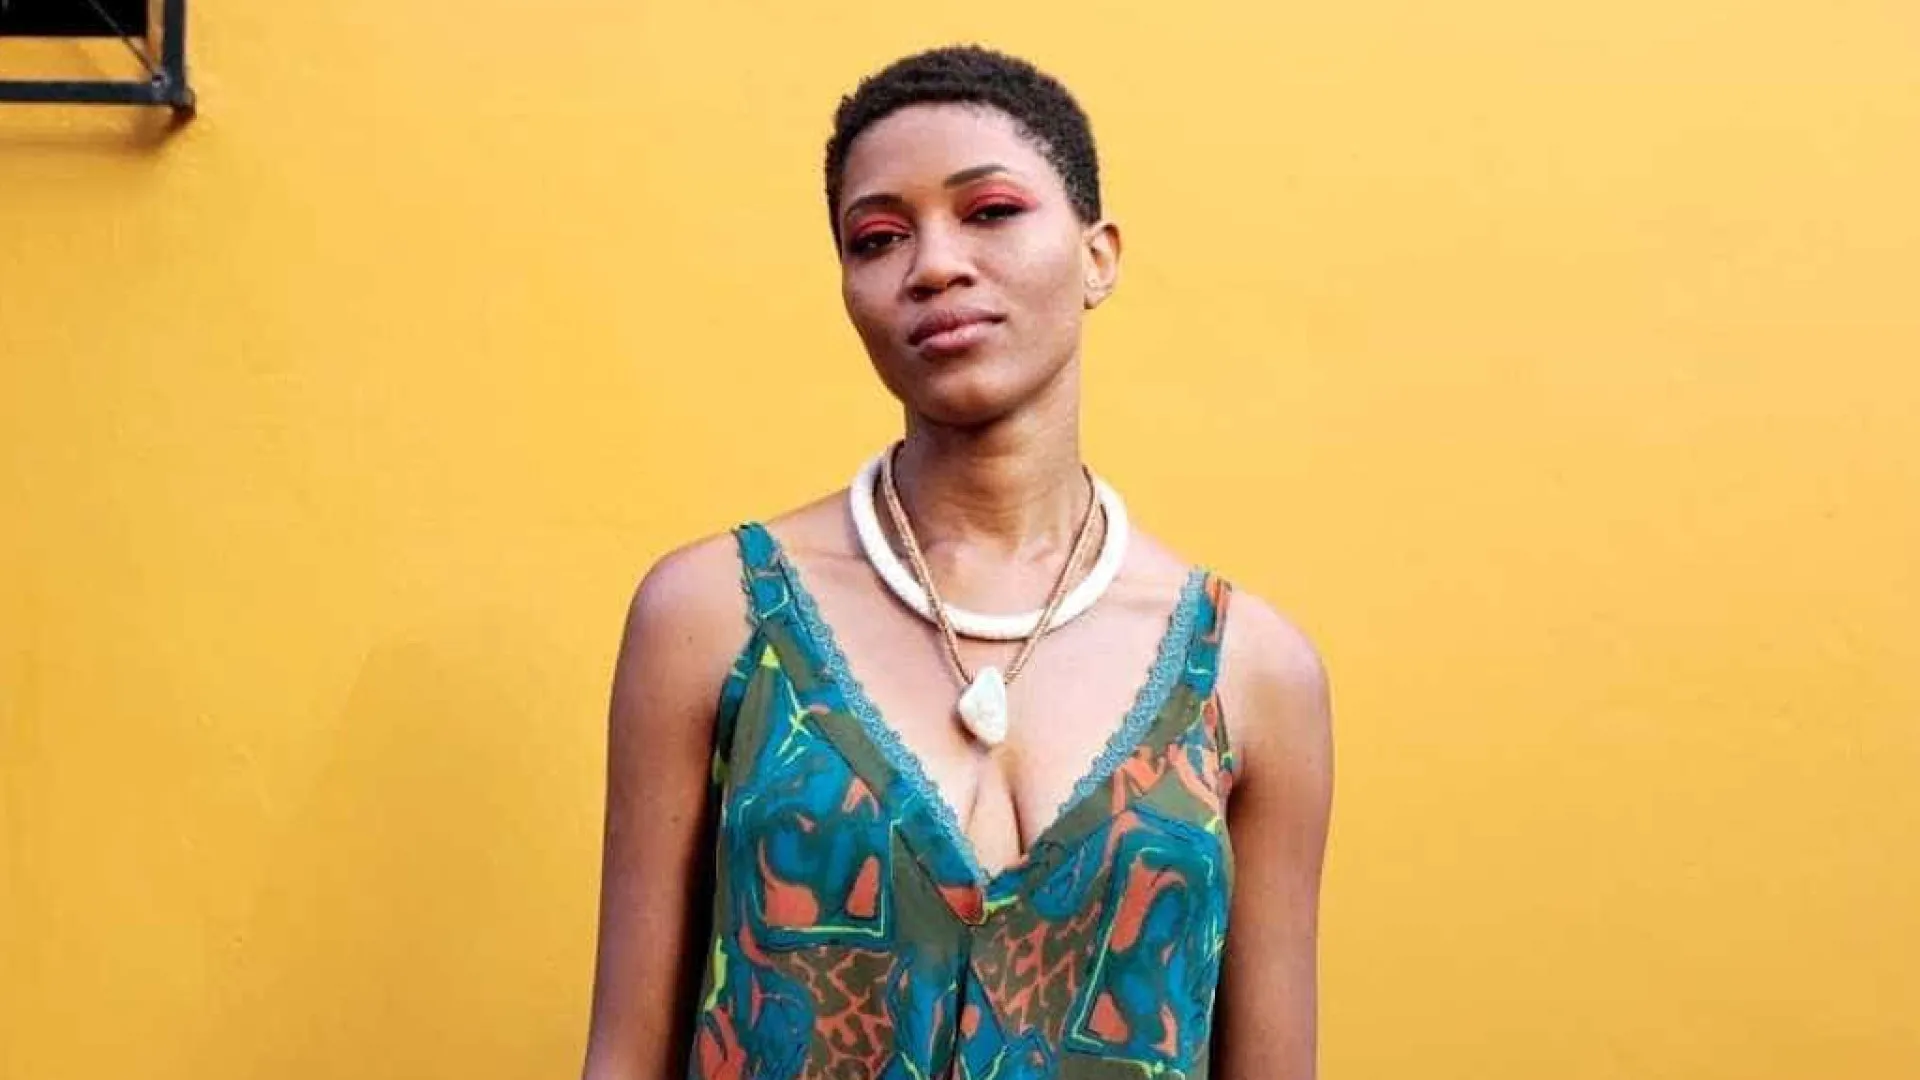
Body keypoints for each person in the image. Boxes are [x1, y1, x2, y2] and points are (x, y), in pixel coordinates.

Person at [581, 45, 1334, 1080]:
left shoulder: (1251, 671)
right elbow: (623, 1057)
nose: (933, 265)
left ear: (1098, 257)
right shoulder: (716, 616)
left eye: (991, 211)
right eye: (879, 237)